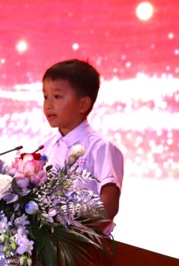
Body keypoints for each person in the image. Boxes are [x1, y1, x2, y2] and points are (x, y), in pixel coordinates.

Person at [41, 59, 124, 228]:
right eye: (45, 96)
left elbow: (109, 204)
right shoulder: (44, 148)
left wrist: (76, 234)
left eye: (57, 97)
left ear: (83, 104)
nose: (48, 105)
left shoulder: (101, 147)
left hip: (82, 241)